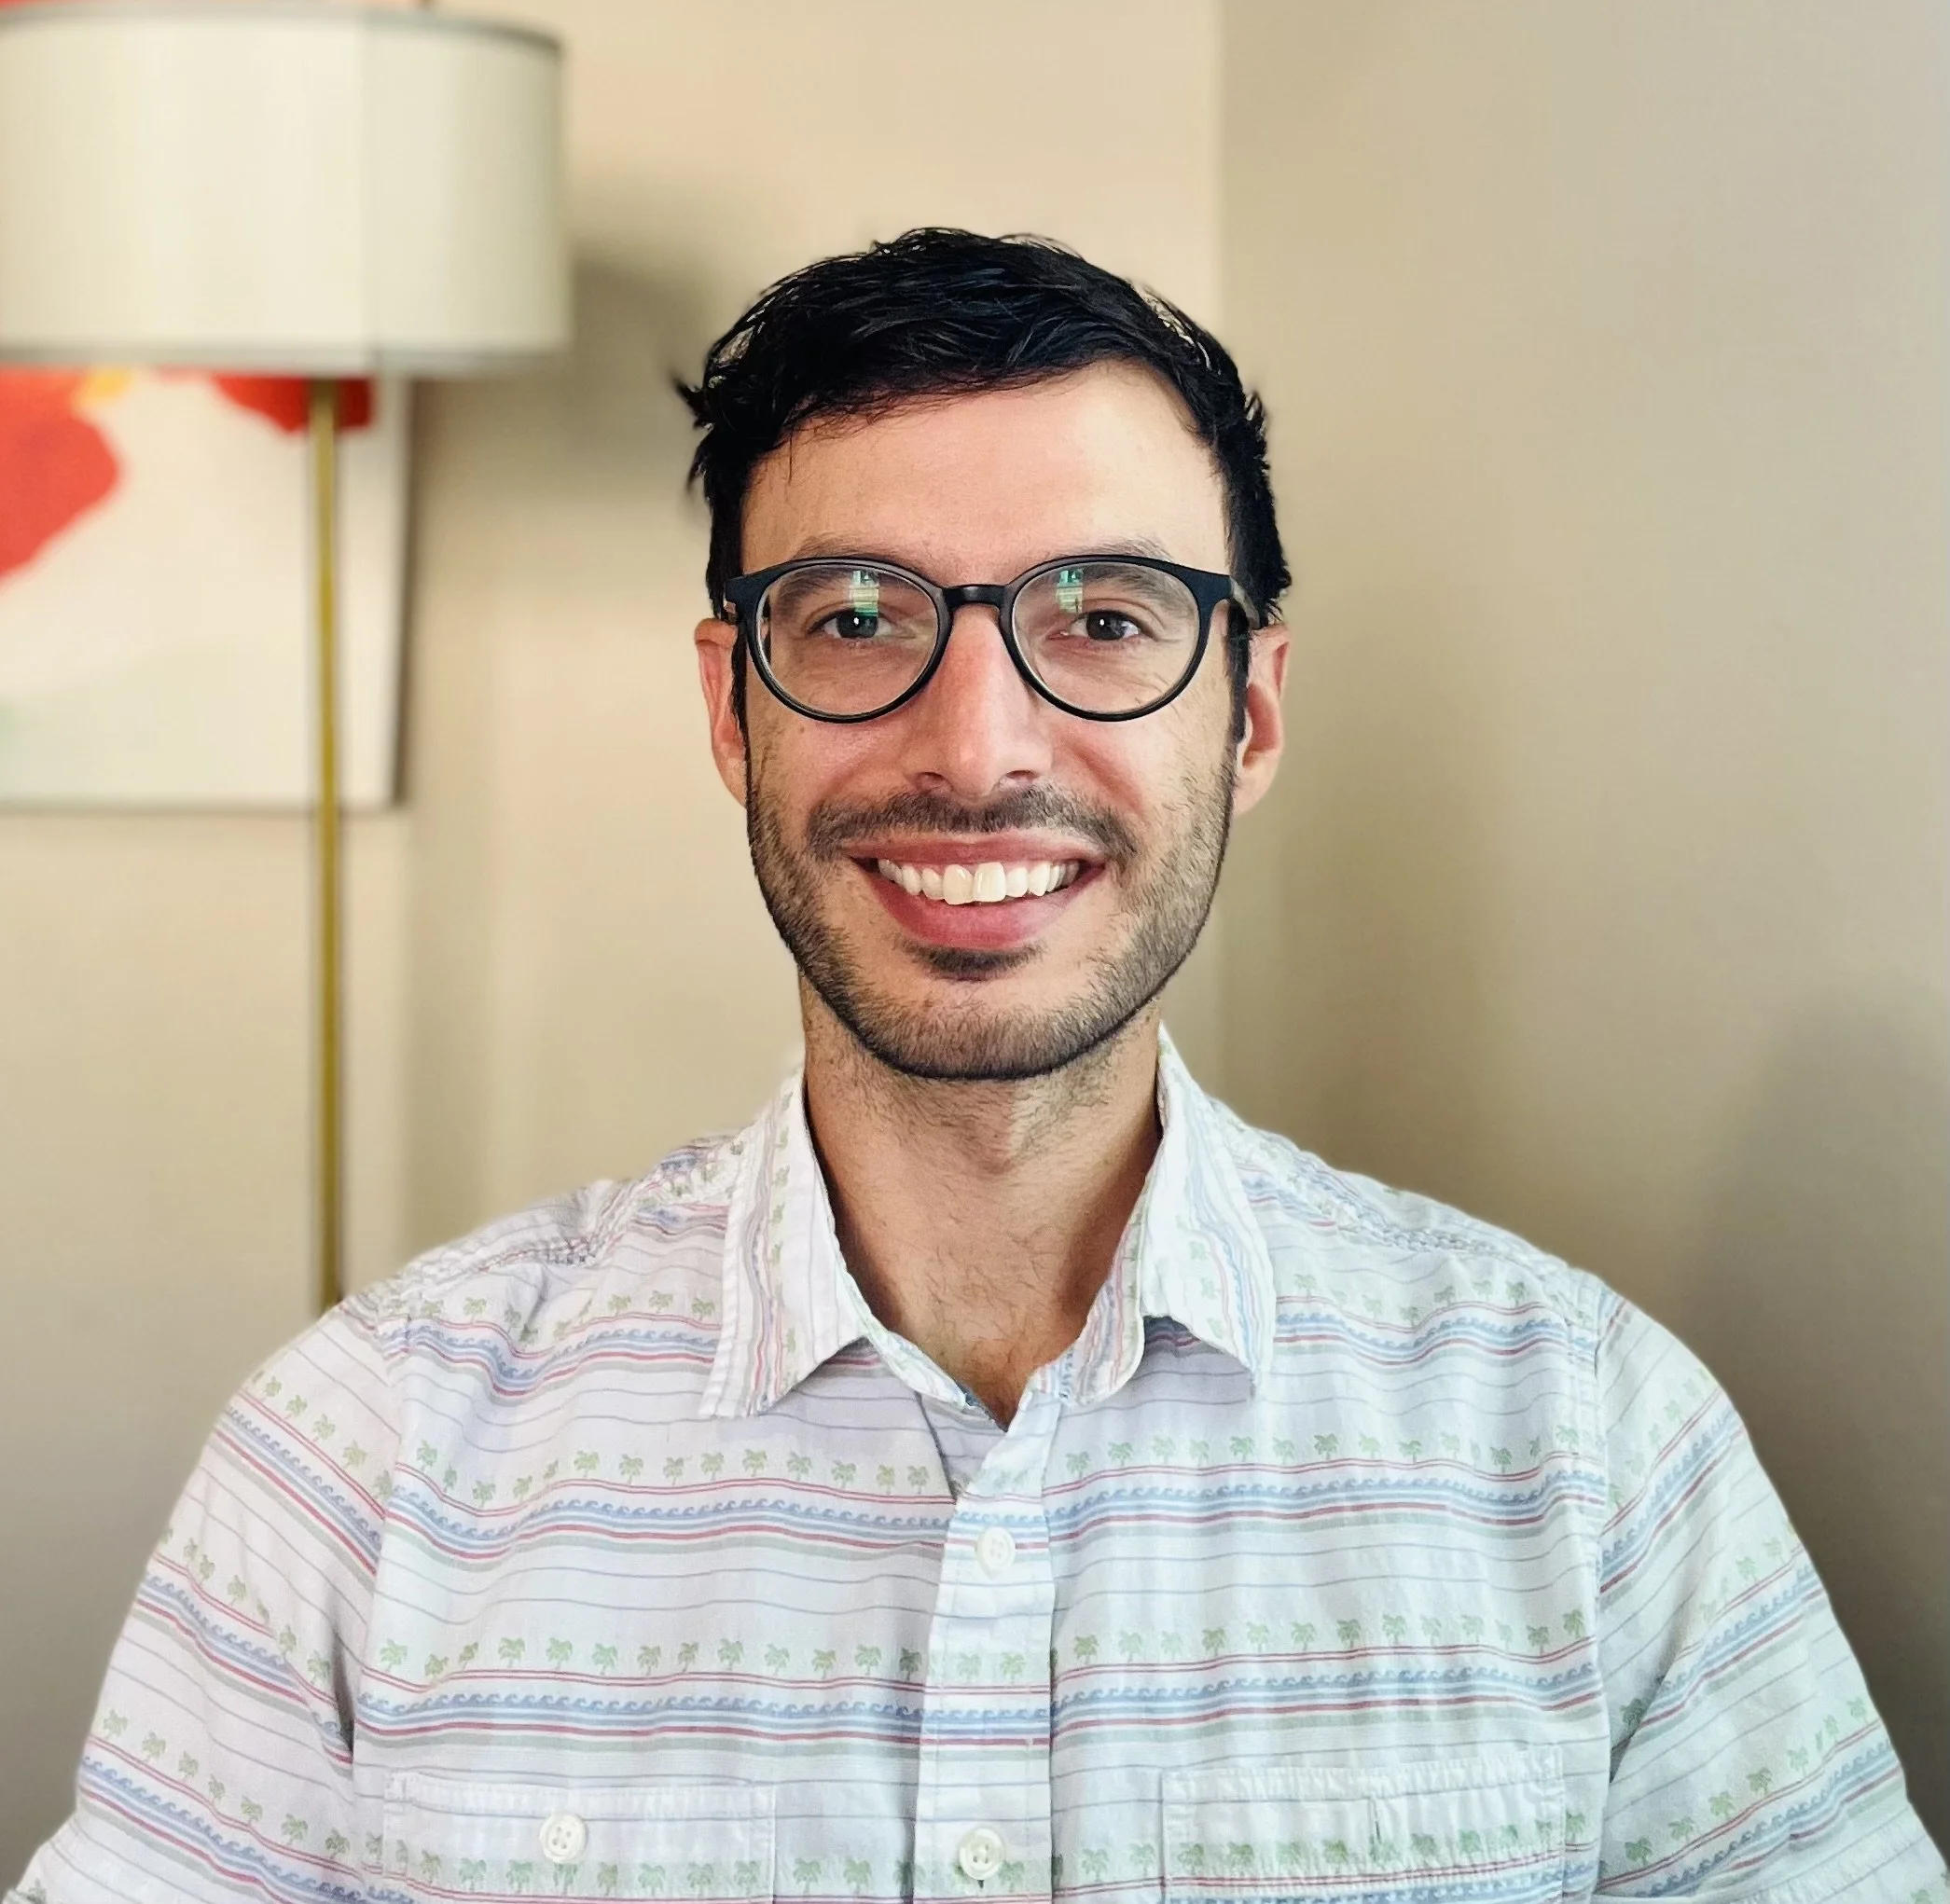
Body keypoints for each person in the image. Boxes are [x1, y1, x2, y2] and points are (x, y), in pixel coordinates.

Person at [16, 231, 1942, 1904]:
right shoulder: (361, 1454)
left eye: (1103, 619)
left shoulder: (1592, 1448)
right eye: (851, 619)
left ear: (1249, 712)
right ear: (728, 707)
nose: (979, 740)